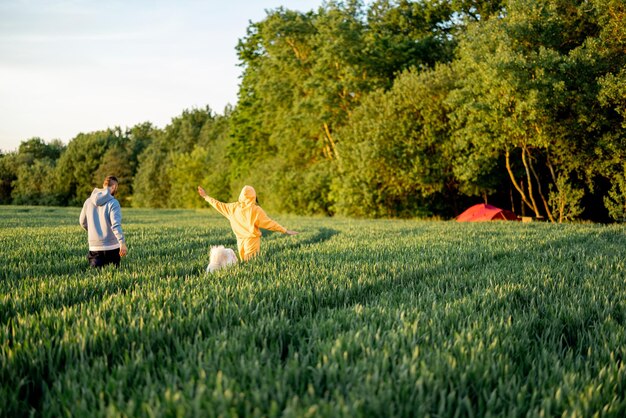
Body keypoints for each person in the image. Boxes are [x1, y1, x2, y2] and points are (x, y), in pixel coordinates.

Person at [198, 185, 298, 261]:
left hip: (239, 240)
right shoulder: (255, 209)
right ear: (254, 196)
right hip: (252, 241)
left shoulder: (233, 207)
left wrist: (206, 197)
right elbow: (269, 223)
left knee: (244, 263)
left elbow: (218, 204)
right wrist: (285, 231)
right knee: (251, 265)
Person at [79, 175, 128, 268]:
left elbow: (82, 222)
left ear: (103, 185)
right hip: (112, 247)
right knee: (114, 277)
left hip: (94, 248)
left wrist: (94, 231)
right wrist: (122, 243)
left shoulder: (88, 202)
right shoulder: (114, 203)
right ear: (114, 187)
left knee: (95, 278)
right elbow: (116, 225)